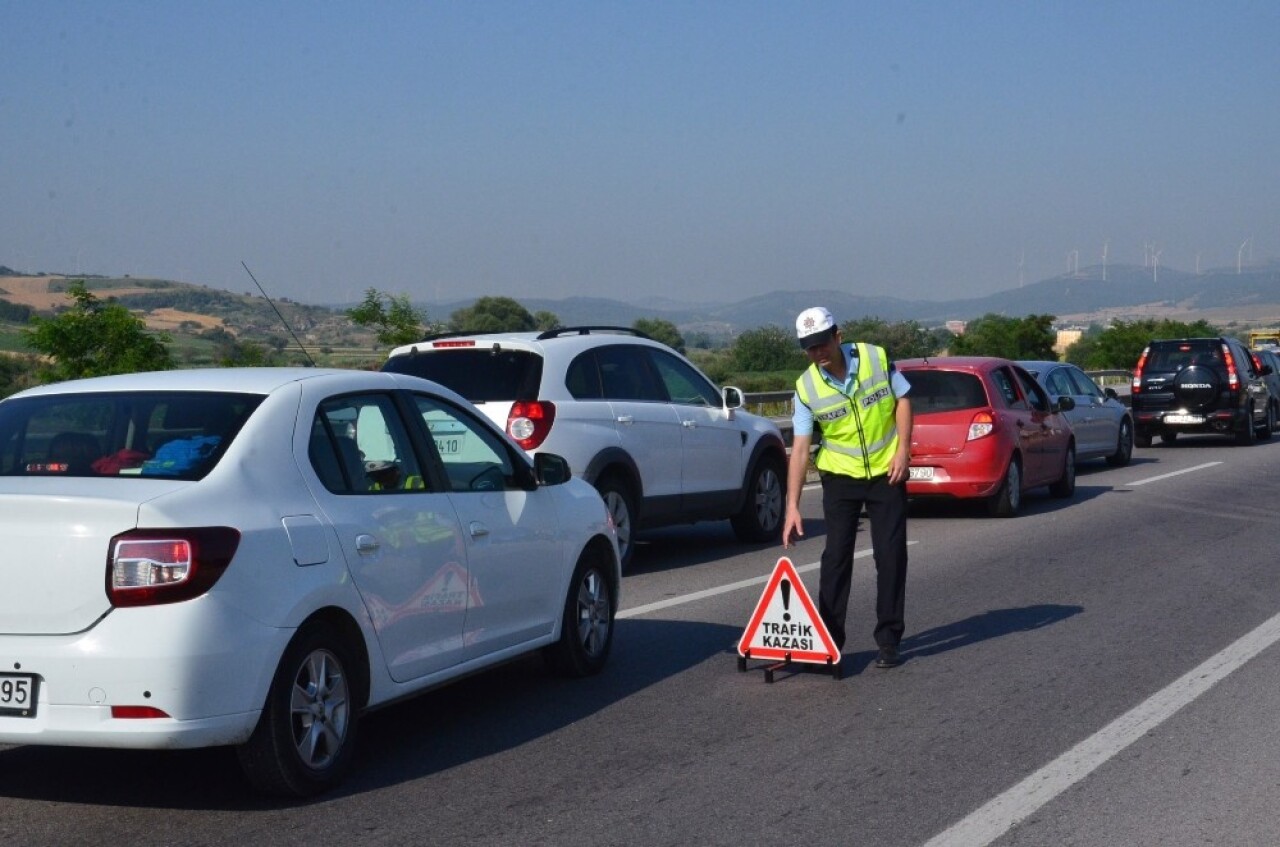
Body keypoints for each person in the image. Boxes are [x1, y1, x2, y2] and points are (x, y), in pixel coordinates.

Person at [782, 307, 913, 669]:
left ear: (838, 337)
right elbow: (800, 449)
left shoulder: (874, 358)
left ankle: (888, 640)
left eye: (822, 344)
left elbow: (903, 398)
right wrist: (792, 506)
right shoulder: (806, 387)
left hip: (887, 472)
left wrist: (903, 449)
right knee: (835, 559)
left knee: (890, 556)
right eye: (809, 348)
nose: (818, 353)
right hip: (840, 477)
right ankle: (829, 643)